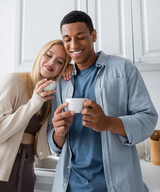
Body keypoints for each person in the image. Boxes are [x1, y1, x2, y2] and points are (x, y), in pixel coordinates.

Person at [47, 11, 158, 192]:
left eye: (80, 37)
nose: (73, 45)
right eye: (67, 39)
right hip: (69, 186)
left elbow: (148, 119)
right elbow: (53, 139)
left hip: (117, 185)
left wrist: (108, 122)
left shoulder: (123, 69)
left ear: (94, 35)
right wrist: (58, 132)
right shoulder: (62, 81)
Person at [0, 39, 72, 192]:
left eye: (60, 62)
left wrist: (74, 71)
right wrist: (34, 103)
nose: (51, 63)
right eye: (48, 55)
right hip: (3, 167)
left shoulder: (51, 95)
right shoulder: (14, 82)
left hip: (27, 165)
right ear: (40, 55)